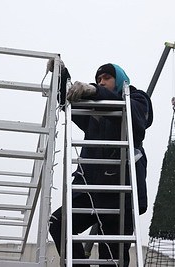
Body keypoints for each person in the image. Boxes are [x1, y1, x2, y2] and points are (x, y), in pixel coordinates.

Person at [48, 59, 153, 267]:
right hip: (91, 190)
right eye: (98, 79)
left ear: (120, 80)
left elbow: (140, 119)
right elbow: (69, 102)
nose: (102, 82)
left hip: (119, 194)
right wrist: (61, 76)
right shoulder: (94, 113)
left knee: (112, 258)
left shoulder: (136, 98)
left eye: (107, 78)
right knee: (58, 223)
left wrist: (95, 91)